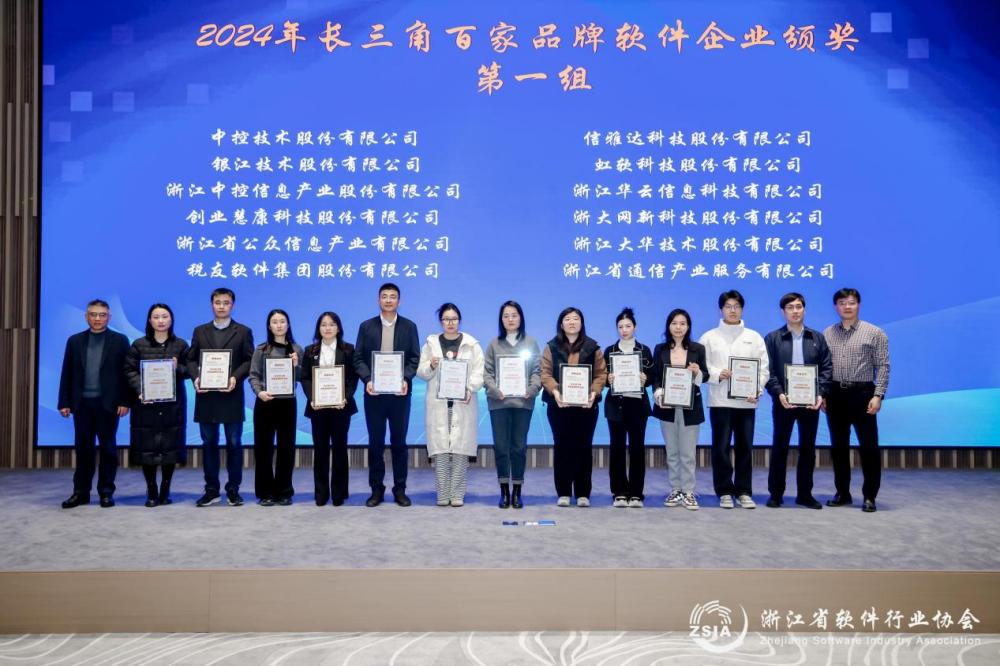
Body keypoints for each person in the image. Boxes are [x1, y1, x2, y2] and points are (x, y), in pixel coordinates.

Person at [699, 290, 769, 510]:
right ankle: (724, 491)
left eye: (736, 306)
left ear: (742, 309)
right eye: (728, 306)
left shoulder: (754, 337)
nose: (732, 310)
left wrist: (757, 388)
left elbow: (763, 369)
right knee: (720, 448)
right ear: (721, 309)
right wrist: (717, 373)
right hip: (720, 402)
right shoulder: (709, 337)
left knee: (745, 447)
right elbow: (701, 367)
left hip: (746, 402)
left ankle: (744, 491)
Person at [57, 299, 130, 508]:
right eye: (93, 314)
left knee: (108, 449)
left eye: (102, 315)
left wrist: (125, 400)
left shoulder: (120, 340)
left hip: (108, 404)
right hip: (81, 404)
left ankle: (106, 492)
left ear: (109, 317)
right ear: (86, 316)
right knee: (83, 450)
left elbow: (126, 374)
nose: (98, 319)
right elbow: (67, 372)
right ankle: (80, 493)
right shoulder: (74, 341)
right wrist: (64, 401)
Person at [823, 288, 890, 513]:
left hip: (863, 395)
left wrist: (878, 395)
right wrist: (823, 394)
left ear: (858, 305)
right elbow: (824, 368)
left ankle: (869, 496)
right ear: (836, 306)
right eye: (842, 303)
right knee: (838, 448)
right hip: (835, 395)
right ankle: (842, 493)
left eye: (851, 302)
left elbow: (883, 366)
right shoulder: (827, 333)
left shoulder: (875, 332)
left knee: (869, 447)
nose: (847, 306)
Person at [353, 283, 420, 507]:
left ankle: (400, 489)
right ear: (378, 300)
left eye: (393, 297)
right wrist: (367, 380)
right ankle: (376, 489)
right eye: (384, 296)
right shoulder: (366, 326)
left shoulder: (409, 326)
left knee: (399, 443)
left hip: (400, 395)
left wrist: (405, 378)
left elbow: (414, 358)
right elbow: (358, 358)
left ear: (399, 301)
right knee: (375, 444)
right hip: (374, 395)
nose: (388, 300)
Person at [764, 293, 833, 510]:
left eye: (799, 306)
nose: (795, 311)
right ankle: (776, 494)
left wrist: (820, 393)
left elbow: (826, 368)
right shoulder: (773, 338)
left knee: (808, 448)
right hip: (784, 401)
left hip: (811, 402)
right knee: (780, 447)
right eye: (790, 307)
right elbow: (768, 371)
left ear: (804, 309)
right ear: (783, 312)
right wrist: (778, 393)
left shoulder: (817, 338)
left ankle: (805, 494)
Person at [187, 288, 254, 507]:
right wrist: (196, 378)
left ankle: (233, 489)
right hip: (207, 397)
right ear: (212, 305)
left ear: (232, 305)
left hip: (231, 395)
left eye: (226, 302)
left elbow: (249, 360)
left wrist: (235, 377)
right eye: (218, 302)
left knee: (234, 443)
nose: (222, 306)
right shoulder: (200, 331)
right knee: (209, 444)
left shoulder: (243, 332)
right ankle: (211, 490)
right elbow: (191, 360)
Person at [416, 303, 485, 507]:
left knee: (460, 451)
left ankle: (457, 494)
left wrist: (469, 388)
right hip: (439, 405)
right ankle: (442, 493)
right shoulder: (431, 344)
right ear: (441, 321)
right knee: (441, 451)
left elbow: (479, 372)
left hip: (462, 404)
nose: (450, 323)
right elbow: (421, 371)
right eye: (446, 319)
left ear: (459, 320)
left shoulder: (472, 344)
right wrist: (431, 365)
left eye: (454, 319)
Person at [123, 303, 189, 507]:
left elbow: (191, 370)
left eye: (164, 316)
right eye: (156, 317)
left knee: (170, 448)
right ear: (150, 320)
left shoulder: (181, 345)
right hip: (146, 404)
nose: (160, 321)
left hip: (173, 405)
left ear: (171, 320)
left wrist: (178, 368)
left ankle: (165, 490)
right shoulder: (138, 345)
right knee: (147, 447)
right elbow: (129, 370)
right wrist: (140, 389)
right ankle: (151, 490)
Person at [540, 307, 607, 507]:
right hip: (559, 405)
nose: (572, 322)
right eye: (567, 319)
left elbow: (601, 374)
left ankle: (583, 493)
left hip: (586, 407)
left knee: (584, 448)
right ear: (561, 324)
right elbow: (545, 373)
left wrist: (594, 392)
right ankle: (563, 492)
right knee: (562, 448)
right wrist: (555, 391)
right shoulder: (551, 347)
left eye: (576, 318)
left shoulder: (593, 347)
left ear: (581, 323)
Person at [482, 300, 541, 509]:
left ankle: (517, 491)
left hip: (523, 403)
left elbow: (537, 371)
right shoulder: (494, 344)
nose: (510, 319)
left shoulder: (531, 343)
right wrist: (495, 390)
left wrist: (531, 390)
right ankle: (504, 492)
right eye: (506, 315)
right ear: (501, 319)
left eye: (514, 315)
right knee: (500, 447)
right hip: (498, 403)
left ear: (521, 318)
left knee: (518, 447)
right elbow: (487, 373)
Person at [652, 309, 708, 511]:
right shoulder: (660, 349)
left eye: (682, 323)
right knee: (672, 451)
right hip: (667, 407)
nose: (678, 327)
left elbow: (705, 376)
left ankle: (689, 491)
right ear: (668, 326)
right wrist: (659, 393)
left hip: (690, 407)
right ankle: (676, 489)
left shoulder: (698, 349)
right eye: (674, 323)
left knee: (688, 453)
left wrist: (697, 372)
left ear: (688, 326)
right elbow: (656, 377)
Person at [300, 311, 358, 506]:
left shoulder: (348, 349)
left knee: (340, 449)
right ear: (319, 328)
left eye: (332, 324)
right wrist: (312, 397)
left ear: (338, 328)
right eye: (324, 324)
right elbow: (305, 378)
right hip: (318, 408)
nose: (327, 328)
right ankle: (321, 493)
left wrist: (345, 397)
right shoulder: (310, 351)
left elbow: (353, 378)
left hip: (341, 407)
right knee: (320, 450)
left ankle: (339, 493)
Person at [248, 309, 303, 506]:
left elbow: (302, 377)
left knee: (286, 448)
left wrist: (296, 365)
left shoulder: (296, 349)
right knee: (263, 449)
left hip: (287, 403)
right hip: (265, 402)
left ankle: (284, 491)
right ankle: (265, 492)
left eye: (282, 321)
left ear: (288, 325)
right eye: (274, 322)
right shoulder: (261, 349)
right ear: (269, 326)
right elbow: (253, 375)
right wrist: (259, 392)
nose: (279, 325)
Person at [603, 307, 654, 508]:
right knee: (616, 449)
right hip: (616, 405)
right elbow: (602, 378)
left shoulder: (644, 350)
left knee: (637, 449)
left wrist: (645, 378)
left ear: (635, 327)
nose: (624, 330)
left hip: (637, 406)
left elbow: (653, 376)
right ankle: (619, 492)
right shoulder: (609, 351)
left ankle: (636, 493)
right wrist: (608, 380)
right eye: (620, 327)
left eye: (628, 326)